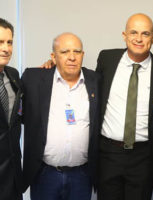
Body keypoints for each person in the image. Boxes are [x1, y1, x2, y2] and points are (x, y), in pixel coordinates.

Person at [95, 13, 153, 200]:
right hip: (108, 154)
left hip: (144, 157)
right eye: (133, 32)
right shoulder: (107, 59)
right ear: (124, 35)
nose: (139, 39)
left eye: (145, 34)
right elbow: (88, 83)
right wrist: (53, 67)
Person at [22, 32, 101, 200]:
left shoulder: (96, 81)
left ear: (83, 55)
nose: (72, 57)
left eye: (77, 51)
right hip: (45, 174)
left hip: (81, 176)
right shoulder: (34, 79)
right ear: (53, 56)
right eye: (64, 52)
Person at [0, 18, 23, 200]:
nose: (6, 48)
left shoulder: (13, 75)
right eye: (0, 42)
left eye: (9, 42)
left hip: (13, 173)